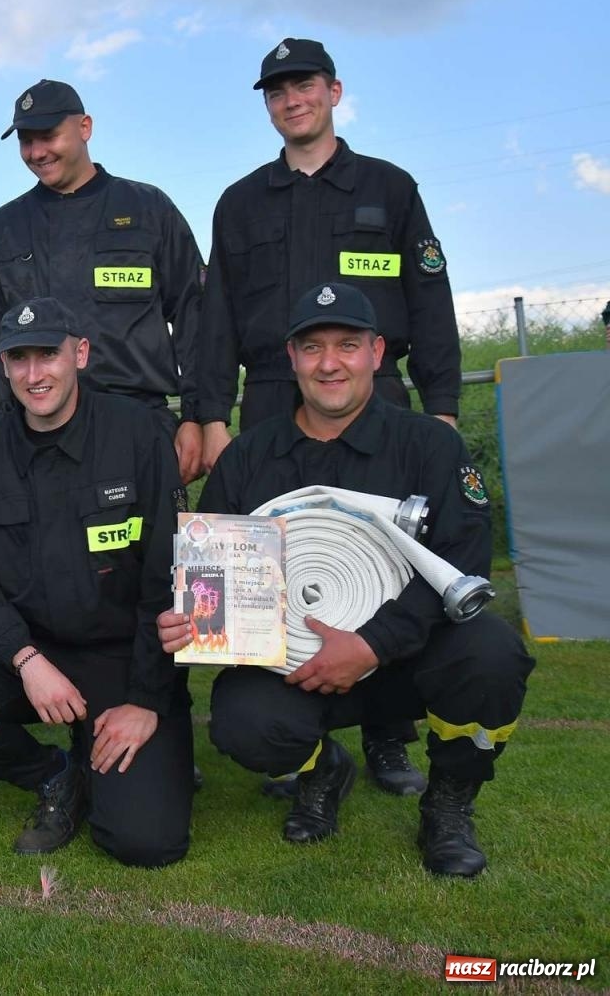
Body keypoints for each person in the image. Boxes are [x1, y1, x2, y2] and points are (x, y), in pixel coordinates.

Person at [159, 283, 534, 877]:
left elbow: (464, 563)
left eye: (347, 345)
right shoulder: (248, 458)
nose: (329, 362)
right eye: (312, 347)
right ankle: (323, 769)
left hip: (408, 660)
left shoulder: (430, 445)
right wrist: (196, 616)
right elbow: (215, 577)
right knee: (242, 721)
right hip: (297, 666)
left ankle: (450, 803)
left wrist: (370, 645)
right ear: (292, 359)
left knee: (491, 651)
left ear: (377, 352)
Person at [199, 38, 461, 796]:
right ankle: (297, 729)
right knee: (284, 573)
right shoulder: (240, 202)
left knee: (385, 567)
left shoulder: (390, 188)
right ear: (269, 105)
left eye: (304, 85)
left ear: (335, 92)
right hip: (274, 400)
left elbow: (432, 306)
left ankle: (386, 731)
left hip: (377, 399)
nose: (292, 100)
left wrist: (440, 406)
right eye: (276, 91)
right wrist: (211, 416)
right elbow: (216, 318)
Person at [0, 296, 194, 867]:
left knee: (146, 842)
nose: (34, 374)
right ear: (4, 367)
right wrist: (25, 659)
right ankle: (57, 775)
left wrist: (144, 699)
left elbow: (168, 579)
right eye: (19, 359)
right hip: (27, 651)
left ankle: (115, 750)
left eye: (48, 355)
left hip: (120, 658)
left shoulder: (138, 437)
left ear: (80, 354)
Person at [0, 79, 205, 487]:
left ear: (85, 127)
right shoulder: (2, 230)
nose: (37, 152)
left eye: (48, 136)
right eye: (26, 141)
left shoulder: (149, 209)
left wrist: (199, 416)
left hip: (138, 427)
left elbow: (195, 315)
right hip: (35, 435)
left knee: (151, 551)